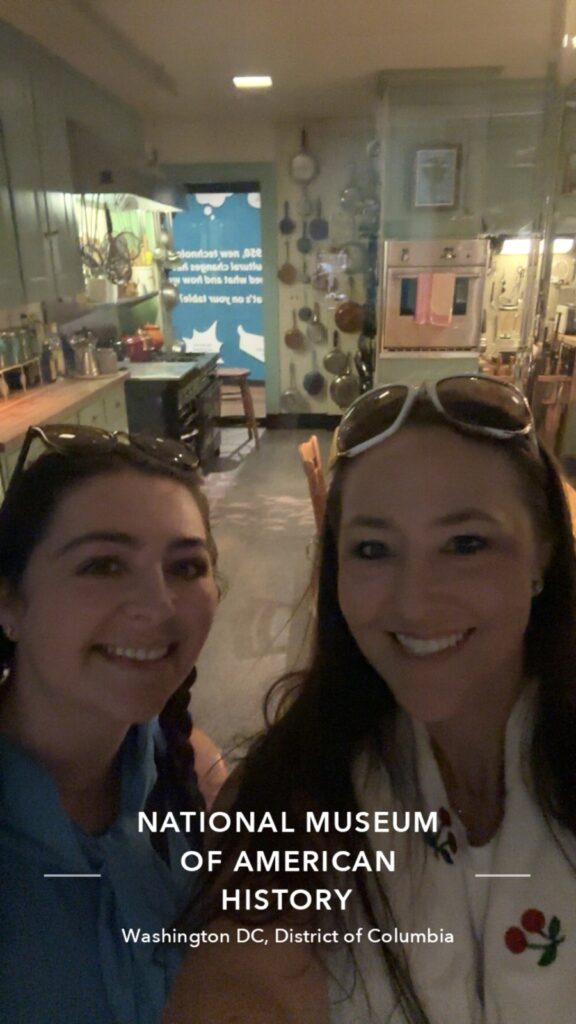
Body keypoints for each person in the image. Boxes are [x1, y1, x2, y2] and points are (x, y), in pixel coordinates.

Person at [164, 375, 576, 1024]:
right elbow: (243, 982)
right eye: (373, 549)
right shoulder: (296, 790)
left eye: (466, 543)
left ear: (545, 551)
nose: (414, 602)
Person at [0, 424, 222, 1024]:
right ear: (10, 602)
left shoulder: (190, 779)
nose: (159, 604)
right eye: (102, 565)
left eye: (185, 566)